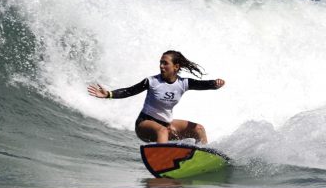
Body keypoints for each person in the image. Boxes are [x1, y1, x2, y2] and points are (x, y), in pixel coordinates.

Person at [87, 50, 225, 144]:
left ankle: (203, 156)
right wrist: (109, 94)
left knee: (198, 129)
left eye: (165, 63)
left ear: (176, 67)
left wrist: (216, 84)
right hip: (144, 125)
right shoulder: (152, 81)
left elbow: (204, 84)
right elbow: (129, 91)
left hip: (165, 125)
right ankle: (163, 159)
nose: (161, 66)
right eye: (160, 62)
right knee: (162, 130)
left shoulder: (183, 83)